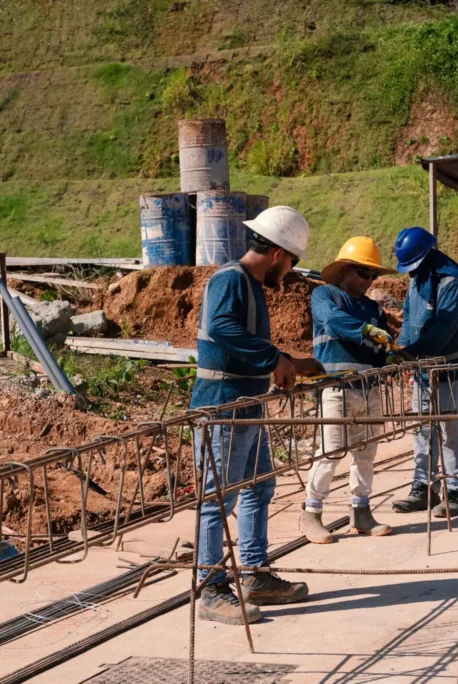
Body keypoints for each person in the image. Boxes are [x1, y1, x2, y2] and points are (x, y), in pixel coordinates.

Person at [190, 205, 324, 625]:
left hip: (246, 403)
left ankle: (254, 575)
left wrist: (288, 361)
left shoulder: (247, 283)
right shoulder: (232, 279)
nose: (286, 276)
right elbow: (223, 328)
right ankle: (210, 588)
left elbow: (242, 337)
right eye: (290, 265)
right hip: (223, 404)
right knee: (218, 500)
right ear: (280, 255)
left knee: (258, 487)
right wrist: (274, 358)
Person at [299, 237, 398, 544]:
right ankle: (311, 513)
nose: (368, 281)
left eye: (373, 276)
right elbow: (332, 321)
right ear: (343, 270)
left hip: (368, 388)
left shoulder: (372, 308)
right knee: (331, 452)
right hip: (337, 388)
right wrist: (365, 329)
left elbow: (380, 348)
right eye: (361, 273)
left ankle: (362, 512)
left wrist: (390, 357)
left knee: (366, 454)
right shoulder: (324, 295)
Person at [390, 226, 458, 519]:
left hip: (454, 369)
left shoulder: (451, 282)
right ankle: (423, 488)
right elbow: (408, 318)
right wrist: (403, 346)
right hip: (425, 370)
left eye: (414, 265)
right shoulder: (417, 281)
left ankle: (456, 492)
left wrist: (410, 354)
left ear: (429, 255)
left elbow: (444, 328)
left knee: (453, 432)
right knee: (422, 430)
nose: (411, 272)